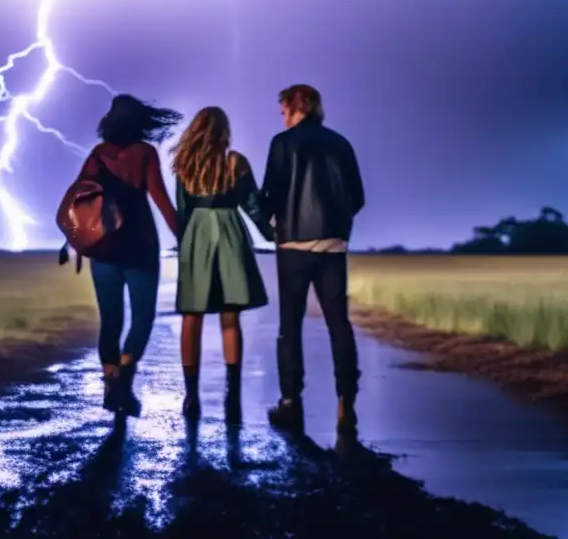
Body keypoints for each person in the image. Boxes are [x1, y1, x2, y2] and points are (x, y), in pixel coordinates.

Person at [261, 84, 365, 435]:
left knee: (290, 326)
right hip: (333, 246)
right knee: (340, 325)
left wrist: (273, 226)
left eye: (283, 109)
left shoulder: (282, 142)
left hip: (292, 246)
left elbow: (269, 197)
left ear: (293, 107)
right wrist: (337, 225)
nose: (281, 116)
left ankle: (290, 402)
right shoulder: (340, 143)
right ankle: (345, 403)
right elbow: (358, 197)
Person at [77, 94, 181, 417]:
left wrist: (79, 241)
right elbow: (161, 199)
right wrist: (183, 235)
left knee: (110, 319)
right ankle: (125, 378)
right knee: (143, 317)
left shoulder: (98, 155)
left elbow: (80, 198)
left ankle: (112, 381)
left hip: (104, 249)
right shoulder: (145, 154)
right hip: (140, 247)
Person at [171, 106, 273, 425]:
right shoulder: (235, 161)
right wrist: (271, 234)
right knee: (230, 317)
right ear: (223, 131)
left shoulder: (184, 165)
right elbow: (253, 204)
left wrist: (186, 246)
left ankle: (191, 395)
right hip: (230, 232)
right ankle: (232, 394)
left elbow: (183, 211)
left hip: (196, 235)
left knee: (192, 315)